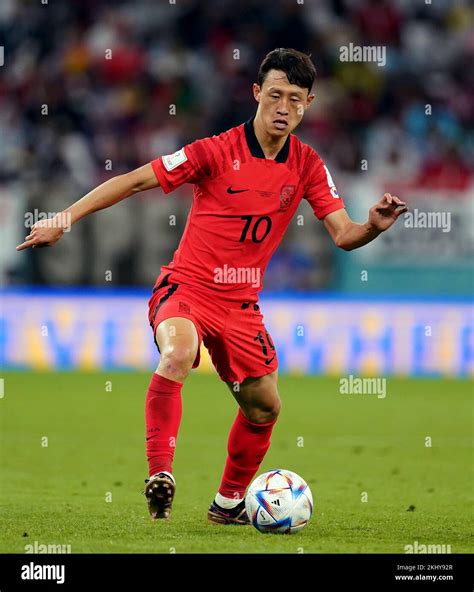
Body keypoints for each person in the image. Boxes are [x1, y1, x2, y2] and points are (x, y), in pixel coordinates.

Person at [16, 48, 407, 524]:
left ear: (309, 104)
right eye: (277, 95)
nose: (285, 108)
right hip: (187, 289)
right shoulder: (214, 151)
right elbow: (136, 180)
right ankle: (160, 476)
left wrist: (374, 226)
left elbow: (345, 234)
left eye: (297, 100)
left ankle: (227, 505)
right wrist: (65, 218)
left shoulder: (307, 165)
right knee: (179, 353)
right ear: (257, 93)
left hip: (242, 306)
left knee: (264, 408)